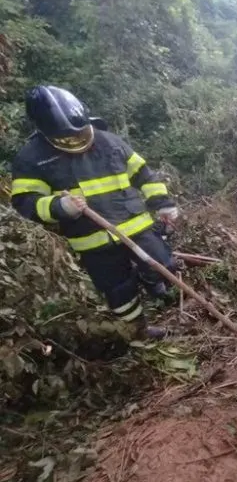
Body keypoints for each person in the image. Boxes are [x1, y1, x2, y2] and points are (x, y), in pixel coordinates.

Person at [10, 85, 179, 339]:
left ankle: (153, 284)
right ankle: (138, 331)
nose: (78, 141)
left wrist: (162, 203)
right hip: (92, 240)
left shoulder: (108, 140)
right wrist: (59, 207)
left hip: (135, 224)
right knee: (119, 291)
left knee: (162, 264)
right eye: (69, 139)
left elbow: (144, 174)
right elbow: (25, 202)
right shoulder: (32, 158)